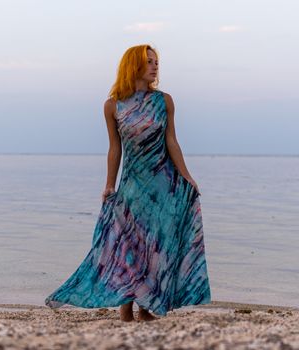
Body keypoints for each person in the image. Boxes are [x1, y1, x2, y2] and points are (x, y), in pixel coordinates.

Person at [45, 44, 211, 322]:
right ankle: (125, 308)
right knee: (128, 246)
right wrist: (109, 185)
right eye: (149, 62)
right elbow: (115, 149)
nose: (155, 66)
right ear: (133, 65)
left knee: (158, 245)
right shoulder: (113, 105)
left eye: (156, 61)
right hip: (133, 185)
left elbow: (171, 141)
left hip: (164, 185)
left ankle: (146, 307)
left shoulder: (164, 101)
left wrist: (186, 175)